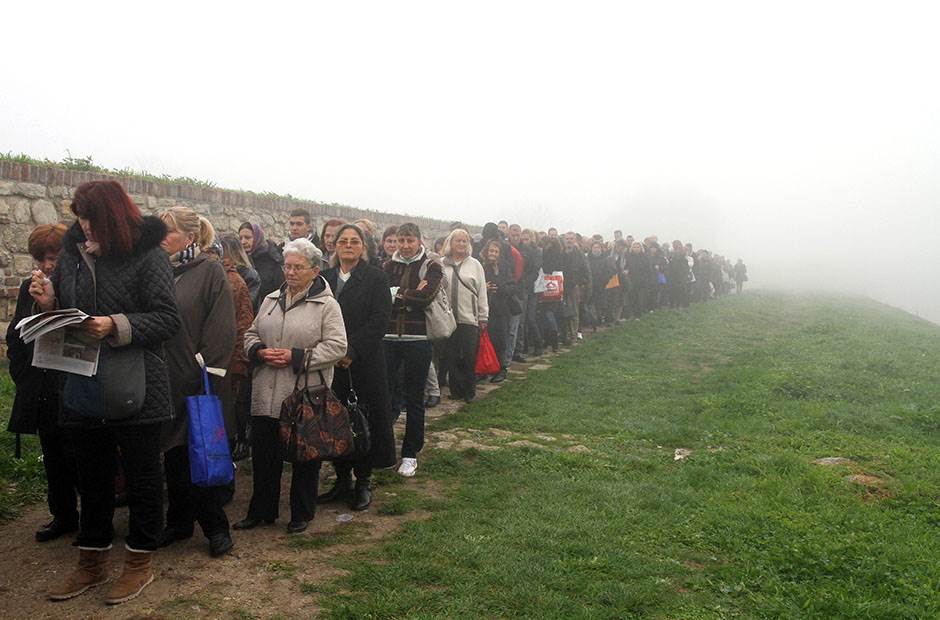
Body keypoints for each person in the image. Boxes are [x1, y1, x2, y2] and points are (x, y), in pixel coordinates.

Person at [32, 180, 181, 605]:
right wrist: (47, 302)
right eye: (79, 216)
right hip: (82, 381)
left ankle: (138, 563)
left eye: (91, 217)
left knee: (142, 479)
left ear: (113, 216)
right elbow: (68, 308)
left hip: (138, 385)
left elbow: (168, 320)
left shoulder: (148, 255)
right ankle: (91, 562)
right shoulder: (73, 253)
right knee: (92, 478)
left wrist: (115, 324)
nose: (83, 225)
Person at [236, 238, 347, 534]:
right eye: (287, 266)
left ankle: (301, 512)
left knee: (305, 455)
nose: (291, 272)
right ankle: (261, 511)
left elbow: (337, 347)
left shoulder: (327, 305)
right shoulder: (271, 299)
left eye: (298, 267)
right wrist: (259, 351)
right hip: (266, 391)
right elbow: (250, 333)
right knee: (264, 455)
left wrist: (296, 356)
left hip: (303, 394)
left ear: (314, 270)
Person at [157, 207, 237, 557]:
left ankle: (216, 528)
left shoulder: (210, 271)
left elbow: (222, 328)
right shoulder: (158, 271)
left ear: (189, 238)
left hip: (196, 382)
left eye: (168, 231)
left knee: (198, 456)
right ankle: (178, 523)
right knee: (172, 456)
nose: (160, 238)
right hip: (162, 380)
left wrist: (202, 367)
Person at [6, 223, 79, 543]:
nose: (48, 265)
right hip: (42, 383)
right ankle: (62, 514)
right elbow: (16, 334)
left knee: (80, 454)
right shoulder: (28, 287)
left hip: (73, 380)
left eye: (54, 257)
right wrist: (22, 375)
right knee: (52, 453)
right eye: (42, 259)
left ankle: (92, 515)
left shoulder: (77, 284)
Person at [318, 224, 395, 511]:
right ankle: (341, 480)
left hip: (363, 362)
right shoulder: (324, 279)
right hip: (330, 363)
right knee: (336, 422)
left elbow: (379, 319)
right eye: (343, 241)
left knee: (362, 421)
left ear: (363, 247)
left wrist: (352, 350)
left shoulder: (375, 278)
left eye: (354, 241)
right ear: (334, 246)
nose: (348, 245)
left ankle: (363, 480)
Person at [383, 222, 443, 478]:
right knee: (385, 395)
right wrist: (407, 294)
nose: (405, 246)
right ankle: (384, 449)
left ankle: (410, 453)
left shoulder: (432, 266)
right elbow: (379, 296)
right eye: (401, 240)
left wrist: (395, 293)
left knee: (414, 397)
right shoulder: (386, 266)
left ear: (419, 241)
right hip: (387, 338)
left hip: (417, 337)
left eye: (410, 241)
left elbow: (426, 296)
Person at [440, 229, 488, 402]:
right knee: (451, 355)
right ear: (450, 243)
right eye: (458, 241)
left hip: (469, 317)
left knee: (468, 355)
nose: (461, 244)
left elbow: (482, 291)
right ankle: (456, 390)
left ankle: (469, 391)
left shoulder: (475, 265)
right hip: (447, 318)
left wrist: (483, 315)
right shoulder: (441, 264)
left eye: (464, 241)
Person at [480, 239, 517, 383]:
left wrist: (500, 289)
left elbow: (513, 286)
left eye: (496, 251)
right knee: (484, 339)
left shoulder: (505, 267)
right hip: (485, 307)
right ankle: (485, 369)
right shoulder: (481, 266)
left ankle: (501, 369)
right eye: (491, 251)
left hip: (501, 308)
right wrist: (485, 288)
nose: (493, 254)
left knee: (500, 339)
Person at [238, 222, 284, 309]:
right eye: (240, 238)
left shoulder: (272, 259)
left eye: (248, 238)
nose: (243, 242)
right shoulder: (240, 261)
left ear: (257, 238)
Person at [562, 231, 591, 342]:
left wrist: (581, 283)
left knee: (574, 310)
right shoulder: (562, 252)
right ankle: (565, 334)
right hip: (563, 284)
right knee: (564, 310)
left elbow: (585, 270)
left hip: (575, 285)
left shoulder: (579, 254)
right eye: (567, 238)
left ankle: (573, 335)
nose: (569, 241)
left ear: (574, 240)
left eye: (571, 238)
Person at [537, 235, 564, 352]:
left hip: (547, 284)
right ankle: (552, 340)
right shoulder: (560, 253)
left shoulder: (548, 254)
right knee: (551, 312)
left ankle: (552, 335)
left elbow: (546, 268)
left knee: (546, 313)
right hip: (557, 286)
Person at [519, 228, 543, 355]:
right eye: (523, 239)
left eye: (527, 239)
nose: (524, 241)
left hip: (532, 288)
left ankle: (538, 343)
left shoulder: (536, 251)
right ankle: (525, 346)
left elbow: (535, 268)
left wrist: (525, 282)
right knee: (523, 319)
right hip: (524, 286)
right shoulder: (520, 249)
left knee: (530, 318)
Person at [219, 234, 261, 305]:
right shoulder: (218, 270)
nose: (221, 256)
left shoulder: (250, 275)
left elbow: (248, 303)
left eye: (224, 252)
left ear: (234, 253)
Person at [624, 241, 654, 319]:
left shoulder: (645, 257)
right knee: (632, 298)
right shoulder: (628, 257)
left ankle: (639, 314)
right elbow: (626, 266)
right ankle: (633, 314)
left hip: (642, 281)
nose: (636, 249)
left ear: (641, 248)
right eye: (634, 247)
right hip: (632, 280)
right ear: (632, 248)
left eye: (638, 247)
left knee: (640, 298)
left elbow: (649, 269)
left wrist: (648, 280)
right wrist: (626, 270)